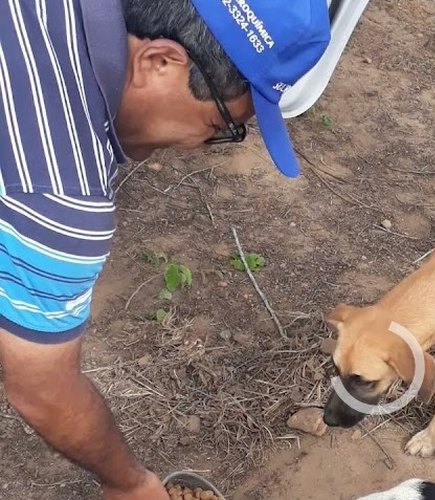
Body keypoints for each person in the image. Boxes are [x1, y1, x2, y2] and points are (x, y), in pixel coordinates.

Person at [0, 0, 330, 498]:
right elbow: (43, 391)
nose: (202, 145)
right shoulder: (61, 197)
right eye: (221, 125)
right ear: (159, 61)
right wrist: (130, 484)